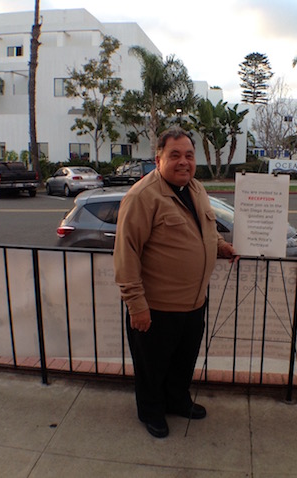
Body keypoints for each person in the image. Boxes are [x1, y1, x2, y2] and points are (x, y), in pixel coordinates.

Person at [113, 126, 236, 438]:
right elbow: (126, 254)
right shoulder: (142, 196)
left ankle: (178, 400)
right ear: (159, 159)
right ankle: (152, 413)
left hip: (194, 303)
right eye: (175, 155)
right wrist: (136, 306)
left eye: (189, 155)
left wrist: (220, 247)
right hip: (156, 307)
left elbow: (205, 228)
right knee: (152, 368)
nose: (184, 162)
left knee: (183, 362)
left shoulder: (195, 188)